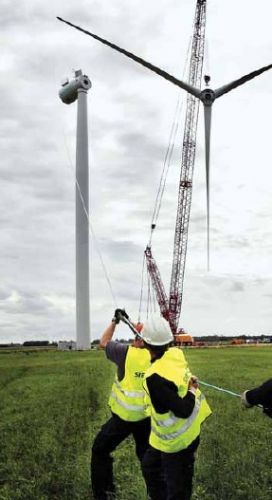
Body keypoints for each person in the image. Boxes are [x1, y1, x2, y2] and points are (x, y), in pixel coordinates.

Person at [140, 314, 212, 500]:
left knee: (178, 489)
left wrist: (191, 391)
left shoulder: (155, 377)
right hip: (175, 436)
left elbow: (183, 410)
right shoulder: (176, 354)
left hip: (176, 442)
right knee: (150, 467)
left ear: (146, 344)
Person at [91, 309, 151, 500]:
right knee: (148, 460)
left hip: (123, 419)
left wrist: (115, 321)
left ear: (139, 339)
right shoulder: (159, 356)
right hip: (147, 418)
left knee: (100, 450)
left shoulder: (125, 353)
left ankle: (104, 494)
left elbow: (104, 342)